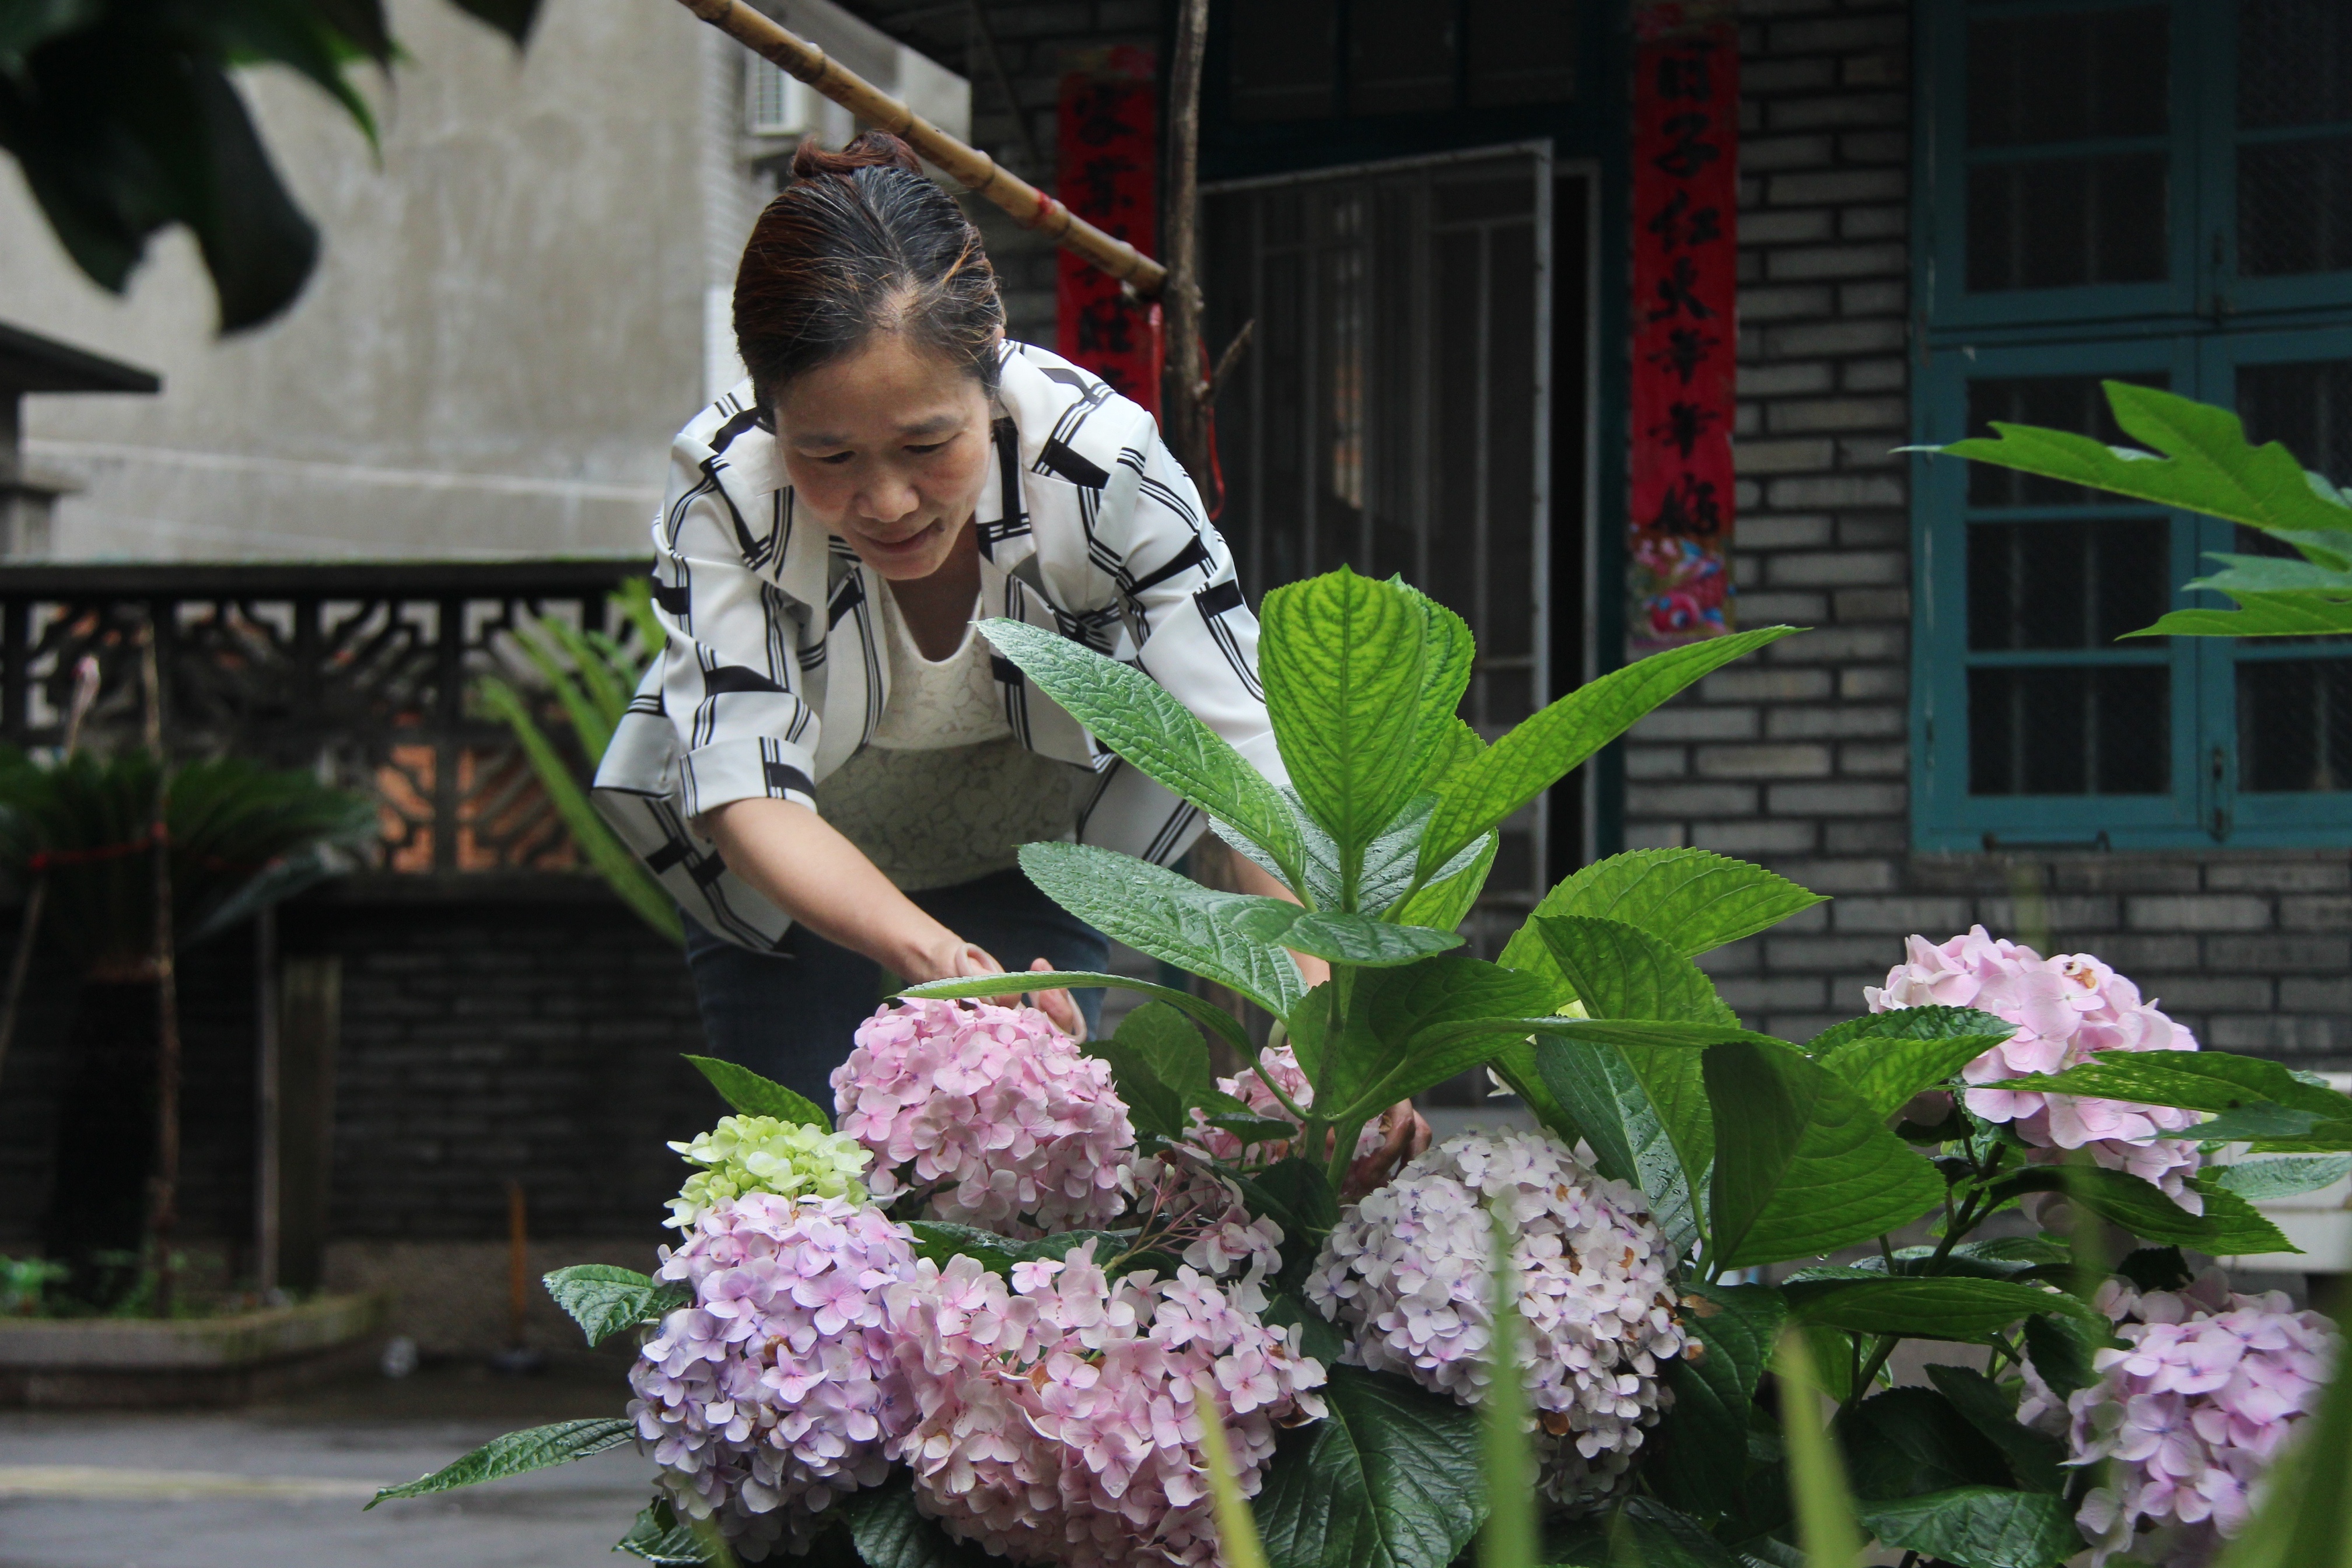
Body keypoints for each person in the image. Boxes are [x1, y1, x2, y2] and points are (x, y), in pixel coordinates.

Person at [593, 131, 1350, 1125]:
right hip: (795, 871)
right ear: (773, 418)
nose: (887, 500)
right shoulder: (727, 484)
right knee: (803, 1190)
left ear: (989, 373)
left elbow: (1242, 759)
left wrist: (1324, 1041)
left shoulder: (1101, 465)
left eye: (926, 443)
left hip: (1024, 851)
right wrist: (936, 959)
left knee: (1031, 1177)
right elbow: (743, 784)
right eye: (827, 456)